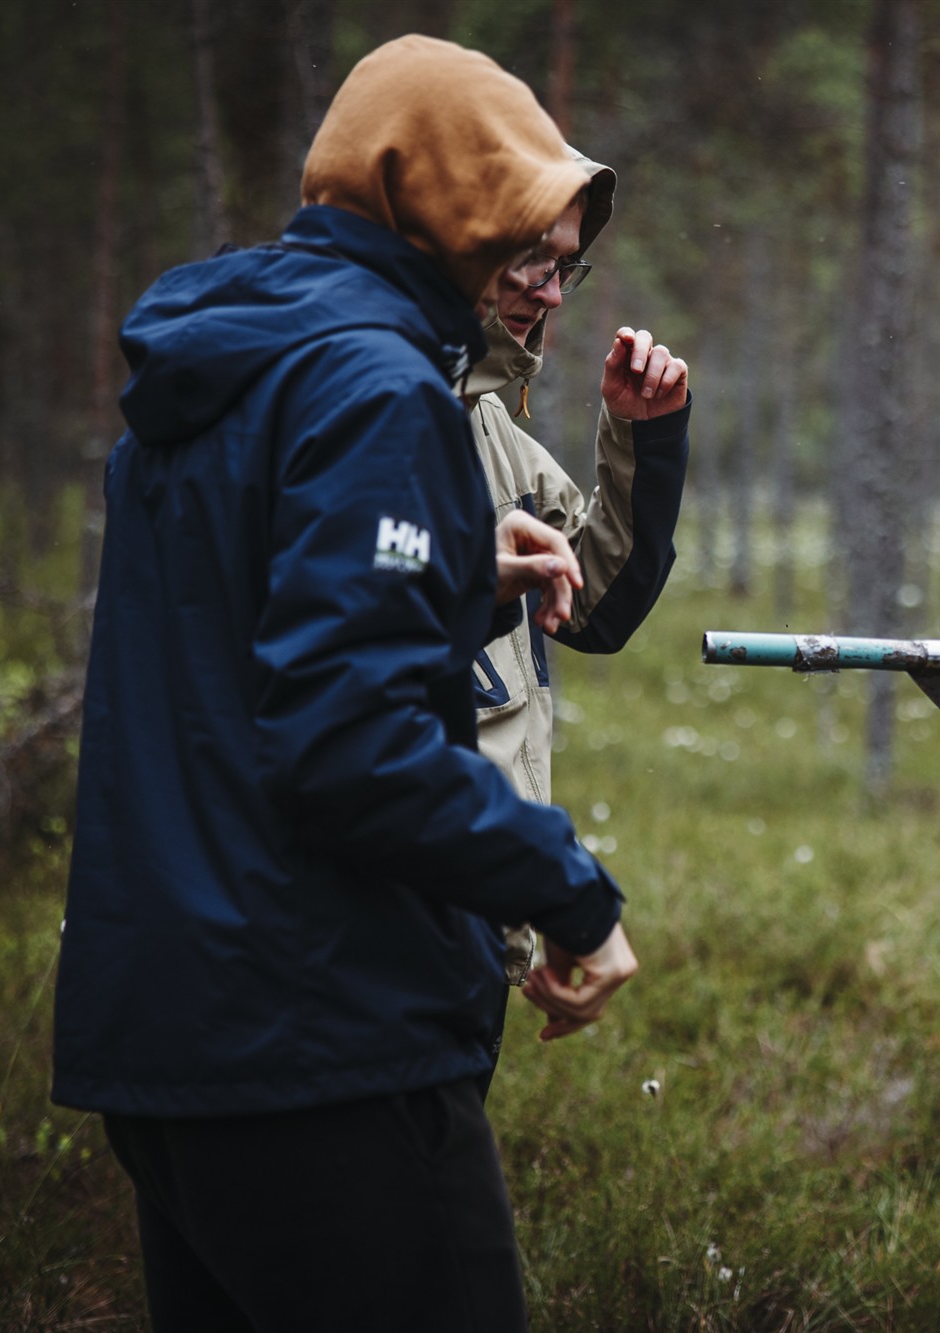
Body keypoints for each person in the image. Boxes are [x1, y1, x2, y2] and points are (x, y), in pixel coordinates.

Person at [52, 36, 652, 1331]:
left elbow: (234, 664)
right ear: (439, 196)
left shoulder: (225, 369)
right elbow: (349, 750)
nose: (537, 274)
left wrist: (446, 575)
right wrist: (571, 890)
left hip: (162, 1038)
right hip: (322, 1041)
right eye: (520, 231)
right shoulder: (376, 389)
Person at [459, 152, 690, 1022]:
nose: (553, 294)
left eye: (563, 269)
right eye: (529, 262)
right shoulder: (365, 413)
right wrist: (564, 893)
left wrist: (643, 439)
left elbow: (592, 606)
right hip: (377, 931)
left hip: (474, 914)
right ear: (452, 242)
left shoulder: (489, 423)